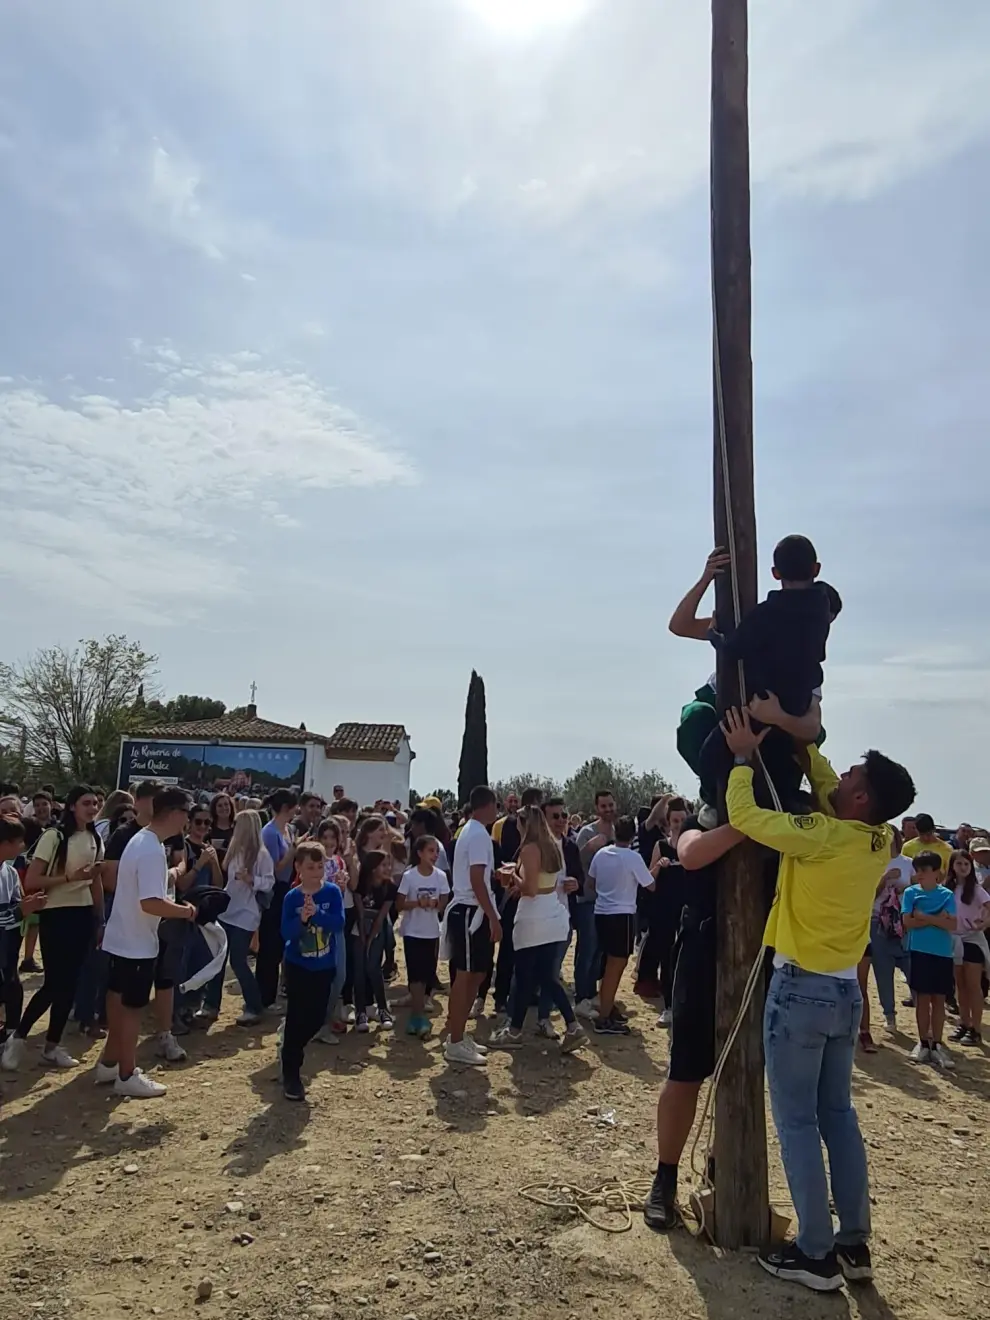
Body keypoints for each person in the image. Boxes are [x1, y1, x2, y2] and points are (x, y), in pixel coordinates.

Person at [722, 706, 916, 1291]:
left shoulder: (821, 837)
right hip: (842, 995)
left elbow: (747, 816)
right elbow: (829, 782)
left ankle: (814, 1253)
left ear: (860, 800)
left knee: (798, 1122)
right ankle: (853, 1243)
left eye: (854, 777)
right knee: (839, 1117)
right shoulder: (879, 838)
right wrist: (800, 739)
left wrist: (739, 758)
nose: (842, 777)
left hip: (800, 992)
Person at [643, 811, 744, 1231]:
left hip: (759, 957)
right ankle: (664, 1178)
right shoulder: (698, 826)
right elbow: (692, 852)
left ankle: (723, 1167)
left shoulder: (784, 818)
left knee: (742, 1072)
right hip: (701, 954)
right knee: (685, 1072)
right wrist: (748, 824)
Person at [698, 536, 833, 813]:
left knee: (710, 757)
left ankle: (716, 805)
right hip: (795, 706)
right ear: (816, 569)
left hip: (758, 706)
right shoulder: (821, 609)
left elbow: (732, 648)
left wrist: (714, 634)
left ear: (775, 574)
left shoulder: (766, 614)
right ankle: (786, 800)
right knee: (782, 761)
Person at [96, 788, 197, 1098]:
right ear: (175, 813)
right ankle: (126, 1074)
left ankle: (110, 1063)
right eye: (187, 813)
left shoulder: (142, 840)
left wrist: (169, 875)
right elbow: (151, 903)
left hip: (122, 937)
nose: (188, 820)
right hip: (137, 943)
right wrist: (186, 911)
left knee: (117, 1001)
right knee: (131, 1010)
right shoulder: (152, 848)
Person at [4, 785, 105, 1070]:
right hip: (56, 915)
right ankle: (19, 1037)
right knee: (53, 984)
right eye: (86, 802)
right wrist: (70, 877)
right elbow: (33, 879)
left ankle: (52, 1046)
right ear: (72, 806)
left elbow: (95, 880)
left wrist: (100, 918)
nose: (93, 807)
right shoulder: (54, 836)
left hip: (83, 915)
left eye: (96, 803)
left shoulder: (95, 836)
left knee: (70, 984)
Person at [489, 807, 586, 1053]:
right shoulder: (552, 845)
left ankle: (515, 1031)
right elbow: (545, 883)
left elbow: (530, 888)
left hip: (534, 917)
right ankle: (571, 1026)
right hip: (552, 913)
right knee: (544, 975)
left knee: (526, 975)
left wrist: (511, 877)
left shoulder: (530, 848)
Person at [279, 841, 345, 1100]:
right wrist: (302, 919)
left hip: (324, 965)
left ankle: (291, 1044)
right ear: (299, 868)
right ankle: (291, 1074)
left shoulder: (331, 893)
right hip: (298, 966)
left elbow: (338, 922)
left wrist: (317, 914)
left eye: (320, 866)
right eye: (310, 866)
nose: (316, 871)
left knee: (318, 1017)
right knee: (296, 1016)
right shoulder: (292, 897)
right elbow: (286, 932)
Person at [443, 785, 502, 1066]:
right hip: (469, 911)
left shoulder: (472, 831)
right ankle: (454, 1041)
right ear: (487, 806)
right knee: (466, 976)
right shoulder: (478, 833)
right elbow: (477, 878)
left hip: (472, 909)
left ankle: (458, 1033)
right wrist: (492, 915)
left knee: (477, 973)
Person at [587, 815, 656, 1035]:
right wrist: (657, 867)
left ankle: (606, 1005)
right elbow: (650, 885)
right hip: (622, 915)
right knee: (616, 967)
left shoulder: (601, 853)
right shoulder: (632, 857)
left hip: (602, 913)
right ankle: (604, 1017)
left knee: (608, 963)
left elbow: (591, 881)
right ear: (633, 835)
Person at [207, 810, 275, 1024]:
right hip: (228, 910)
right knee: (219, 959)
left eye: (239, 824)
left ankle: (254, 1006)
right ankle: (210, 1005)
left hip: (247, 913)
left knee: (238, 961)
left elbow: (269, 882)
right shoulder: (235, 849)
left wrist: (250, 879)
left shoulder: (261, 854)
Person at [902, 852, 957, 1068]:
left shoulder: (947, 894)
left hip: (942, 952)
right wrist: (938, 919)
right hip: (919, 950)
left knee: (939, 1000)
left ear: (936, 872)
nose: (920, 875)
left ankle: (937, 1045)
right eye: (918, 871)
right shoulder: (910, 893)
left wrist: (924, 917)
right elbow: (908, 922)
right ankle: (923, 1042)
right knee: (922, 998)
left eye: (925, 870)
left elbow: (952, 925)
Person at [637, 798, 689, 1024]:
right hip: (664, 908)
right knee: (667, 957)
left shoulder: (693, 845)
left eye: (682, 820)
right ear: (668, 822)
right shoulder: (661, 845)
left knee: (685, 957)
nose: (678, 824)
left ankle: (684, 1005)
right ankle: (668, 1006)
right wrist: (659, 865)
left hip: (687, 908)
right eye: (674, 820)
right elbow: (649, 880)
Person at [857, 828, 912, 1044]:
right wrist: (885, 879)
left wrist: (902, 892)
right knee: (882, 970)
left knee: (911, 968)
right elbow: (866, 894)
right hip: (875, 921)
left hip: (903, 924)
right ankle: (889, 1015)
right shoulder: (871, 861)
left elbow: (917, 889)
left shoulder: (908, 862)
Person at [0, 817, 47, 1055]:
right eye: (18, 841)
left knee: (11, 987)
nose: (21, 847)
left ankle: (9, 1035)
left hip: (8, 946)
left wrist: (26, 905)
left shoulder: (9, 872)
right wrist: (21, 910)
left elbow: (16, 904)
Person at [396, 834, 449, 1037]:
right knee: (415, 976)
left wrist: (434, 903)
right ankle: (417, 1016)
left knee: (426, 975)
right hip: (412, 931)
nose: (435, 855)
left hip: (431, 932)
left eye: (437, 851)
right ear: (419, 853)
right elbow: (400, 903)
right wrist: (418, 903)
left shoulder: (440, 876)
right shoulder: (410, 876)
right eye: (430, 850)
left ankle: (417, 1015)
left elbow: (443, 902)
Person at [573, 790, 617, 1020]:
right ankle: (582, 996)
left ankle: (591, 994)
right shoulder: (586, 832)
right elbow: (574, 862)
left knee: (600, 949)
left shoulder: (618, 831)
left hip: (609, 901)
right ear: (596, 808)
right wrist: (589, 848)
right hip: (588, 899)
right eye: (604, 806)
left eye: (610, 805)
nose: (608, 809)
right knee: (587, 949)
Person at [257, 789, 298, 1008]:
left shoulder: (287, 829)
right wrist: (292, 852)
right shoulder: (270, 832)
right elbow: (273, 868)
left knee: (280, 944)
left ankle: (271, 994)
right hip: (274, 891)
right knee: (270, 947)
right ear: (286, 808)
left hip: (287, 888)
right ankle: (265, 996)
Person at [944, 850, 989, 1046]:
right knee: (960, 986)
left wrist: (984, 923)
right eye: (959, 864)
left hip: (972, 940)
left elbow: (989, 907)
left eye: (966, 864)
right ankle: (964, 1022)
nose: (963, 867)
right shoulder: (947, 888)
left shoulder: (977, 889)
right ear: (952, 866)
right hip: (953, 940)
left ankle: (976, 1029)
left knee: (973, 986)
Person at [352, 849, 396, 1031]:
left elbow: (381, 917)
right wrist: (363, 935)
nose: (388, 868)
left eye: (388, 864)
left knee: (373, 968)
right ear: (372, 867)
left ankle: (383, 1009)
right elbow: (360, 914)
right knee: (359, 970)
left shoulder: (390, 887)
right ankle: (360, 1012)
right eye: (383, 865)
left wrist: (371, 938)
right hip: (359, 927)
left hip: (377, 928)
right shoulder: (361, 884)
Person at [208, 793, 237, 860]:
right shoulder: (208, 828)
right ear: (214, 809)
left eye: (226, 804)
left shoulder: (238, 827)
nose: (224, 808)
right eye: (220, 806)